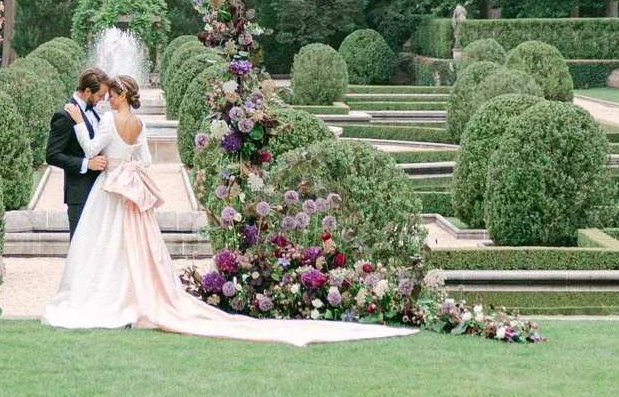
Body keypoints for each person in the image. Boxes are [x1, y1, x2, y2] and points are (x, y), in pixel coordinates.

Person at [42, 74, 412, 346]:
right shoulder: (138, 123)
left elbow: (90, 150)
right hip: (132, 189)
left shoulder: (108, 120)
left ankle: (110, 298)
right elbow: (147, 161)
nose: (106, 100)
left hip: (110, 189)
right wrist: (128, 166)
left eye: (111, 94)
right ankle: (132, 296)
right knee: (135, 249)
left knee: (106, 247)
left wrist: (80, 125)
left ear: (121, 95)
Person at [44, 69, 110, 235]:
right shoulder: (64, 116)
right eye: (100, 95)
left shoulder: (93, 112)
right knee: (79, 245)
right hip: (80, 193)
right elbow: (52, 155)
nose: (102, 99)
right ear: (88, 91)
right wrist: (87, 164)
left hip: (99, 190)